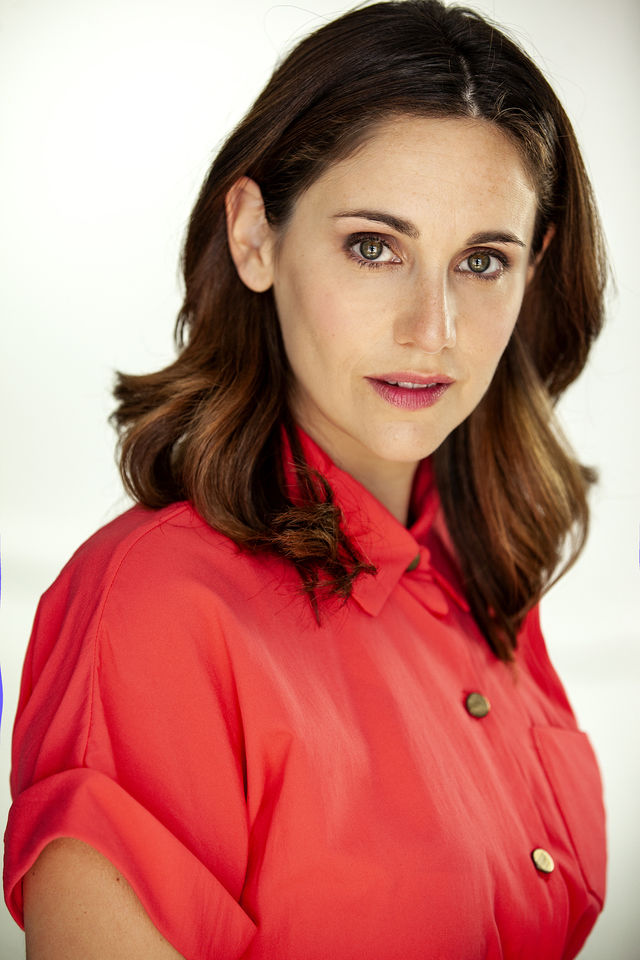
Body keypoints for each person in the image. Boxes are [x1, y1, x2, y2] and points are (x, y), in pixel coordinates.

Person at [3, 1, 608, 957]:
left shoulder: (487, 582)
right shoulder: (152, 607)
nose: (433, 328)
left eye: (482, 261)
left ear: (531, 270)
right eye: (374, 246)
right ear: (255, 237)